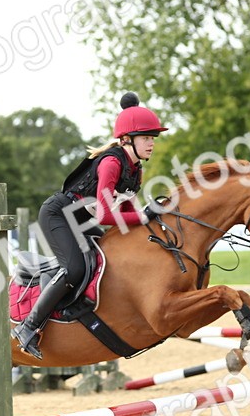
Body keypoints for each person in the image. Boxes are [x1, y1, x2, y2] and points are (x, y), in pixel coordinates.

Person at [11, 92, 168, 359]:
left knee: (110, 256)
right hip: (58, 216)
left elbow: (128, 213)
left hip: (81, 221)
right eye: (146, 138)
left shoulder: (135, 169)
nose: (151, 143)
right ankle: (28, 327)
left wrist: (152, 226)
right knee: (75, 268)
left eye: (153, 138)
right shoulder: (111, 163)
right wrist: (143, 216)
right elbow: (107, 216)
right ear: (127, 140)